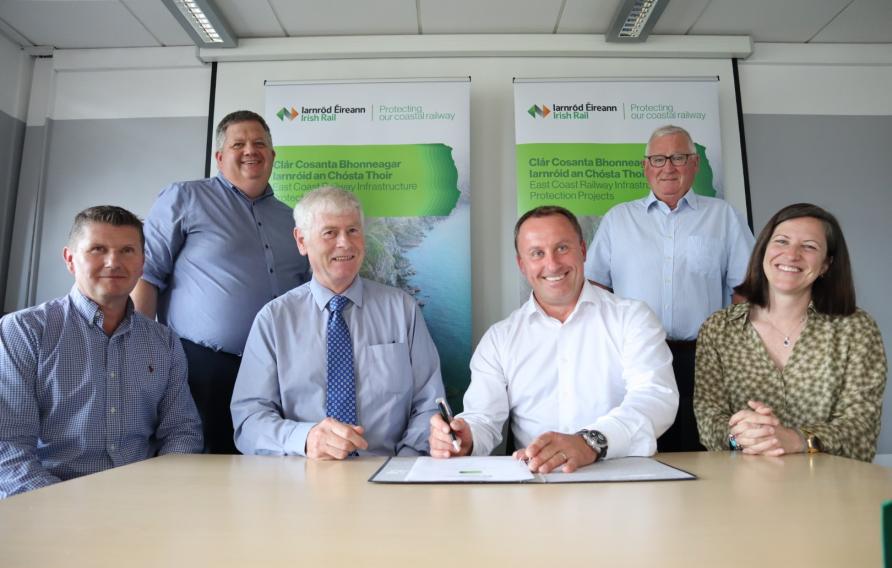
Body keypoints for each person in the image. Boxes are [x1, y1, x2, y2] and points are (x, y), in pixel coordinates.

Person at [429, 206, 678, 473]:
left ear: (583, 251)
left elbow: (655, 398)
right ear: (522, 265)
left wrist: (589, 443)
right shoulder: (500, 339)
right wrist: (465, 437)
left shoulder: (633, 319)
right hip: (537, 486)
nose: (552, 264)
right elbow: (483, 417)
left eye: (562, 248)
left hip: (625, 481)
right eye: (537, 253)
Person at [132, 110, 310, 454]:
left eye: (260, 143)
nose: (250, 150)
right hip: (202, 368)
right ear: (219, 157)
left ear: (272, 156)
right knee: (199, 467)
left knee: (270, 465)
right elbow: (148, 275)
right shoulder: (185, 198)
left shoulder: (293, 220)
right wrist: (140, 355)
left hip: (279, 370)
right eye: (238, 143)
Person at [0, 206, 203, 498]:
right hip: (48, 505)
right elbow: (7, 445)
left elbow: (182, 432)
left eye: (127, 251)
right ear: (70, 259)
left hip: (143, 503)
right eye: (98, 249)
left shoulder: (164, 342)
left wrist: (161, 493)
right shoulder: (24, 331)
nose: (113, 262)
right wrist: (60, 506)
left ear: (142, 263)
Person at [231, 186, 445, 458]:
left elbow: (430, 404)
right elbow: (248, 422)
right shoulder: (274, 320)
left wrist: (403, 464)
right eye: (330, 232)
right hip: (300, 479)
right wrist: (306, 439)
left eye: (353, 230)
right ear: (301, 241)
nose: (344, 243)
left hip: (388, 475)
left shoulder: (402, 310)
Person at [584, 124, 754, 452]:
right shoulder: (618, 219)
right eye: (659, 159)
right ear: (646, 167)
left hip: (702, 358)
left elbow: (745, 288)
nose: (669, 167)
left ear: (694, 164)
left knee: (700, 449)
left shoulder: (724, 217)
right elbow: (594, 286)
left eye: (678, 157)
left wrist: (732, 351)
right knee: (641, 446)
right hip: (634, 357)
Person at [694, 203, 887, 462]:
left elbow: (861, 430)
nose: (791, 254)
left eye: (809, 246)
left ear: (826, 264)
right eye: (781, 241)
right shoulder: (718, 329)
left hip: (831, 489)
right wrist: (741, 436)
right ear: (763, 250)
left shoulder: (856, 329)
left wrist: (797, 439)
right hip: (744, 487)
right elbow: (709, 420)